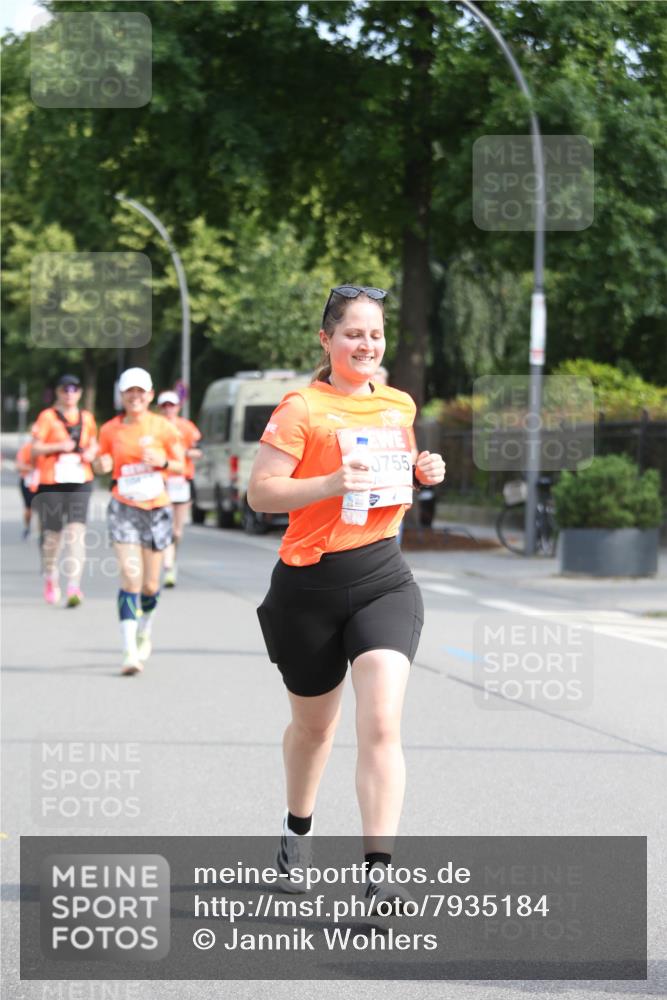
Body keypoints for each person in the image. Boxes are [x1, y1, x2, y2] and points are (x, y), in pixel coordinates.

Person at [248, 284, 445, 908]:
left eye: (376, 334)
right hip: (309, 585)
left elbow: (396, 474)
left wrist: (423, 471)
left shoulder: (399, 405)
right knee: (314, 730)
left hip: (384, 578)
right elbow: (260, 493)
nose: (366, 344)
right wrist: (330, 482)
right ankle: (296, 830)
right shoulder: (301, 406)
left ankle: (378, 876)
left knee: (382, 723)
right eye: (354, 333)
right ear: (327, 340)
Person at [94, 368, 184, 676]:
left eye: (140, 391)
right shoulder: (109, 430)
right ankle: (129, 650)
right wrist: (100, 464)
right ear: (121, 395)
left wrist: (162, 463)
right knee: (131, 579)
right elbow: (99, 460)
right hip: (124, 507)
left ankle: (145, 629)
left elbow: (180, 464)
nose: (135, 396)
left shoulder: (163, 427)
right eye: (129, 391)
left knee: (149, 584)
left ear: (150, 395)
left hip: (156, 508)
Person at [31, 374, 98, 607]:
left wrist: (91, 453)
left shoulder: (87, 418)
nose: (70, 394)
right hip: (52, 481)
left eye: (74, 389)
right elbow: (35, 449)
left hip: (80, 479)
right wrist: (59, 446)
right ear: (58, 392)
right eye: (65, 390)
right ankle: (51, 576)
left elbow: (93, 444)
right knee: (53, 536)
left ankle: (74, 586)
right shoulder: (47, 417)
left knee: (76, 533)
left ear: (79, 393)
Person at [156, 390, 203, 588]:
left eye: (172, 405)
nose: (168, 409)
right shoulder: (155, 426)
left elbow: (198, 451)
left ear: (178, 407)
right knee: (163, 527)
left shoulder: (187, 427)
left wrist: (182, 453)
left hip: (182, 480)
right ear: (160, 408)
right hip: (162, 481)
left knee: (177, 531)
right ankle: (167, 566)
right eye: (165, 405)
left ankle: (172, 562)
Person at [15, 439, 39, 540]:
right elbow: (18, 466)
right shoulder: (26, 448)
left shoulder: (49, 446)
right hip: (28, 482)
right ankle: (27, 527)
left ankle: (43, 531)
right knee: (29, 509)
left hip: (43, 482)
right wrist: (32, 469)